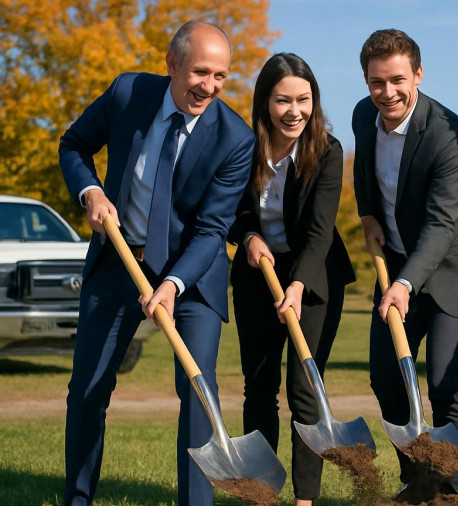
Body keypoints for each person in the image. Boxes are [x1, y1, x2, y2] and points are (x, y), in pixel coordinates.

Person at [58, 20, 253, 506]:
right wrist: (91, 190)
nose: (210, 86)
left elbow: (212, 230)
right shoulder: (128, 93)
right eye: (200, 72)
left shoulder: (236, 139)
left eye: (221, 76)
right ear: (172, 64)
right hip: (119, 261)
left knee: (198, 393)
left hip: (192, 277)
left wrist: (172, 284)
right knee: (87, 390)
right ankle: (77, 499)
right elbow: (74, 144)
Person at [352, 28, 458, 497]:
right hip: (396, 266)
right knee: (386, 378)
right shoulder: (363, 115)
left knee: (443, 383)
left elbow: (442, 223)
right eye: (377, 82)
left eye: (397, 80)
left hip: (454, 271)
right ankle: (417, 481)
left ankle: (451, 493)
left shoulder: (449, 135)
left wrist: (405, 283)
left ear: (418, 74)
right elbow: (363, 171)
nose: (387, 93)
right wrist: (367, 214)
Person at [228, 53, 355, 506]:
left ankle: (305, 499)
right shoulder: (241, 148)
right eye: (283, 100)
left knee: (305, 388)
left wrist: (297, 286)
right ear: (265, 101)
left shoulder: (328, 151)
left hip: (314, 278)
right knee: (259, 387)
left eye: (304, 99)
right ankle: (260, 493)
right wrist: (247, 237)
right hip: (256, 274)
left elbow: (320, 232)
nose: (294, 111)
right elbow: (229, 210)